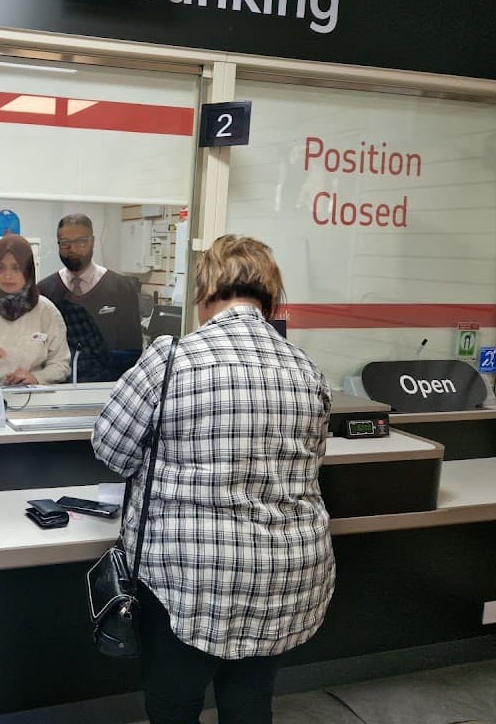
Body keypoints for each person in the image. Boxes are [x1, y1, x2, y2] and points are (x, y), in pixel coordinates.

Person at [91, 234, 334, 724]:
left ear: (204, 294)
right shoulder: (306, 368)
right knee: (249, 701)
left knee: (173, 704)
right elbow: (311, 461)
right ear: (270, 298)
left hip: (191, 580)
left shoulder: (172, 359)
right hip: (284, 578)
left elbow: (111, 450)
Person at [37, 214, 142, 376]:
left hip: (108, 388)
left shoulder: (121, 288)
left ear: (92, 242)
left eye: (81, 241)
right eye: (65, 243)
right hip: (57, 387)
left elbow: (132, 352)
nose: (72, 249)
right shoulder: (44, 291)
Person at [0, 234, 70, 385]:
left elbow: (61, 365)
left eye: (16, 268)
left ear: (28, 270)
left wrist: (38, 378)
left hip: (33, 396)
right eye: (1, 268)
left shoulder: (46, 311)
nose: (7, 275)